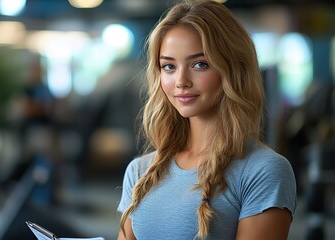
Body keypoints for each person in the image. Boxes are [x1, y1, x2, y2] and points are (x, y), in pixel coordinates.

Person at [117, 0, 297, 239]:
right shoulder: (140, 172)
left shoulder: (264, 170)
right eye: (169, 66)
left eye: (200, 64)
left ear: (233, 69)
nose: (181, 80)